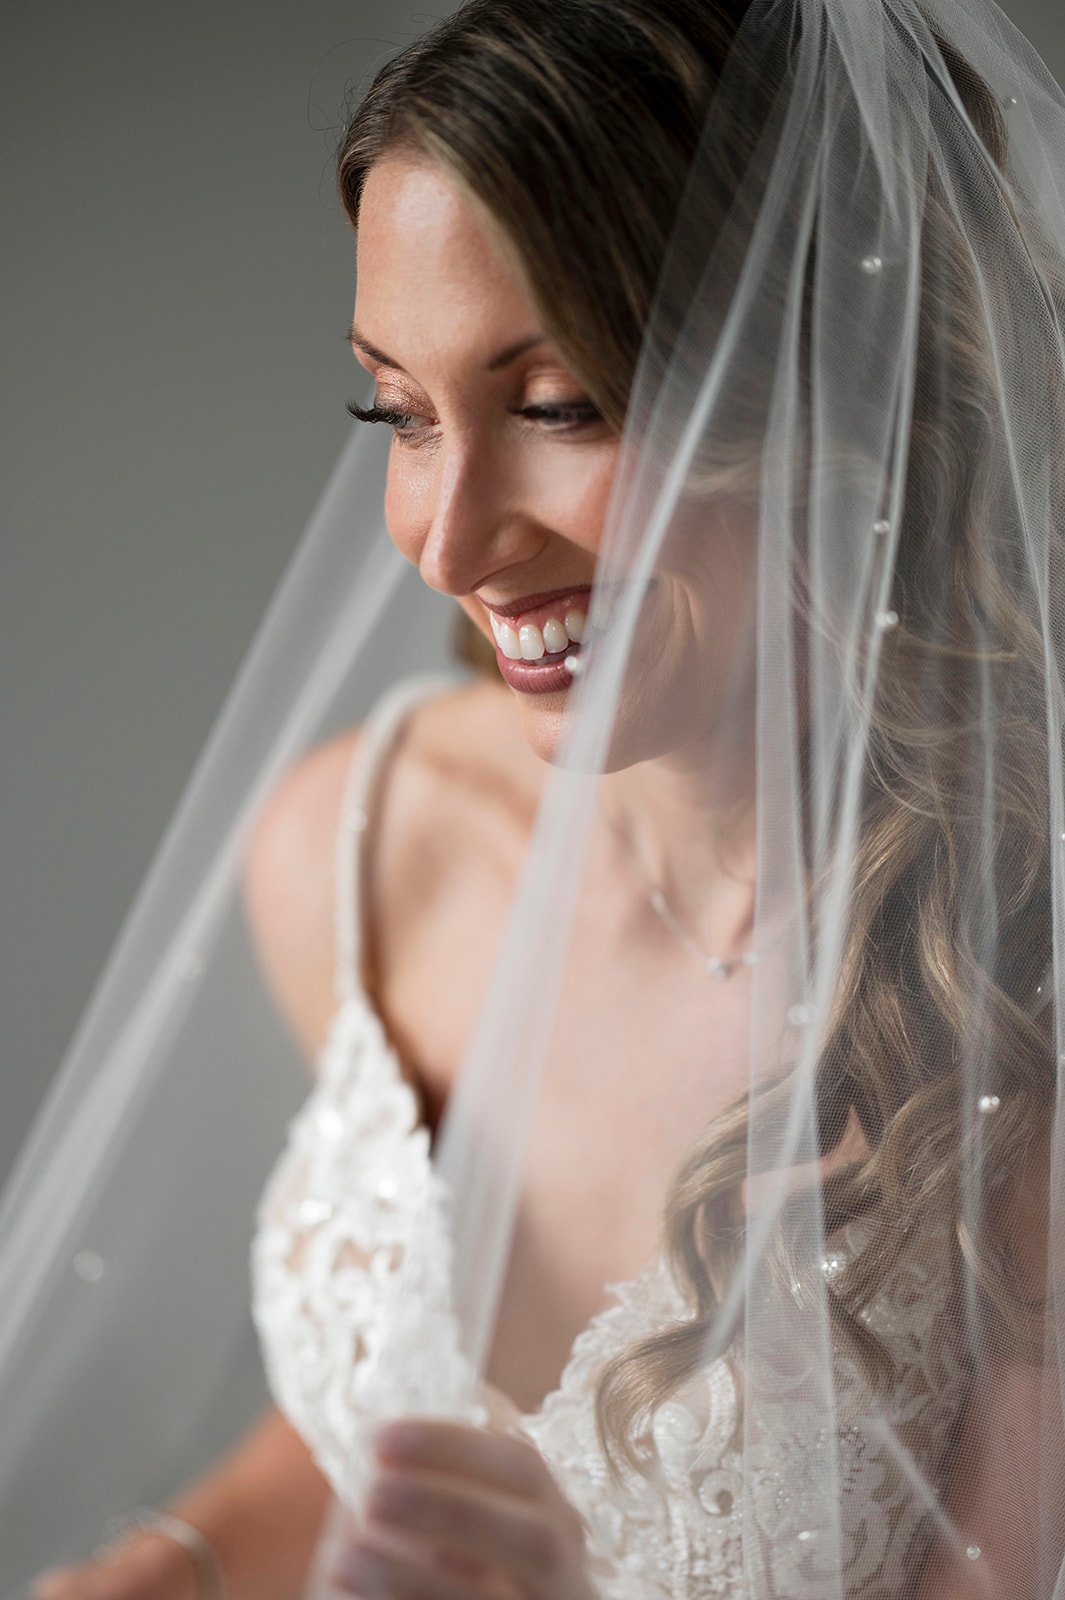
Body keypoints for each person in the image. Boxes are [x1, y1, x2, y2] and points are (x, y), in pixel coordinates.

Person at [22, 0, 1065, 1596]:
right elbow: (385, 1427)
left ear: (837, 388)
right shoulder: (362, 854)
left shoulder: (1007, 1011)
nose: (444, 544)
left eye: (558, 404)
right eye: (400, 412)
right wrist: (169, 1563)